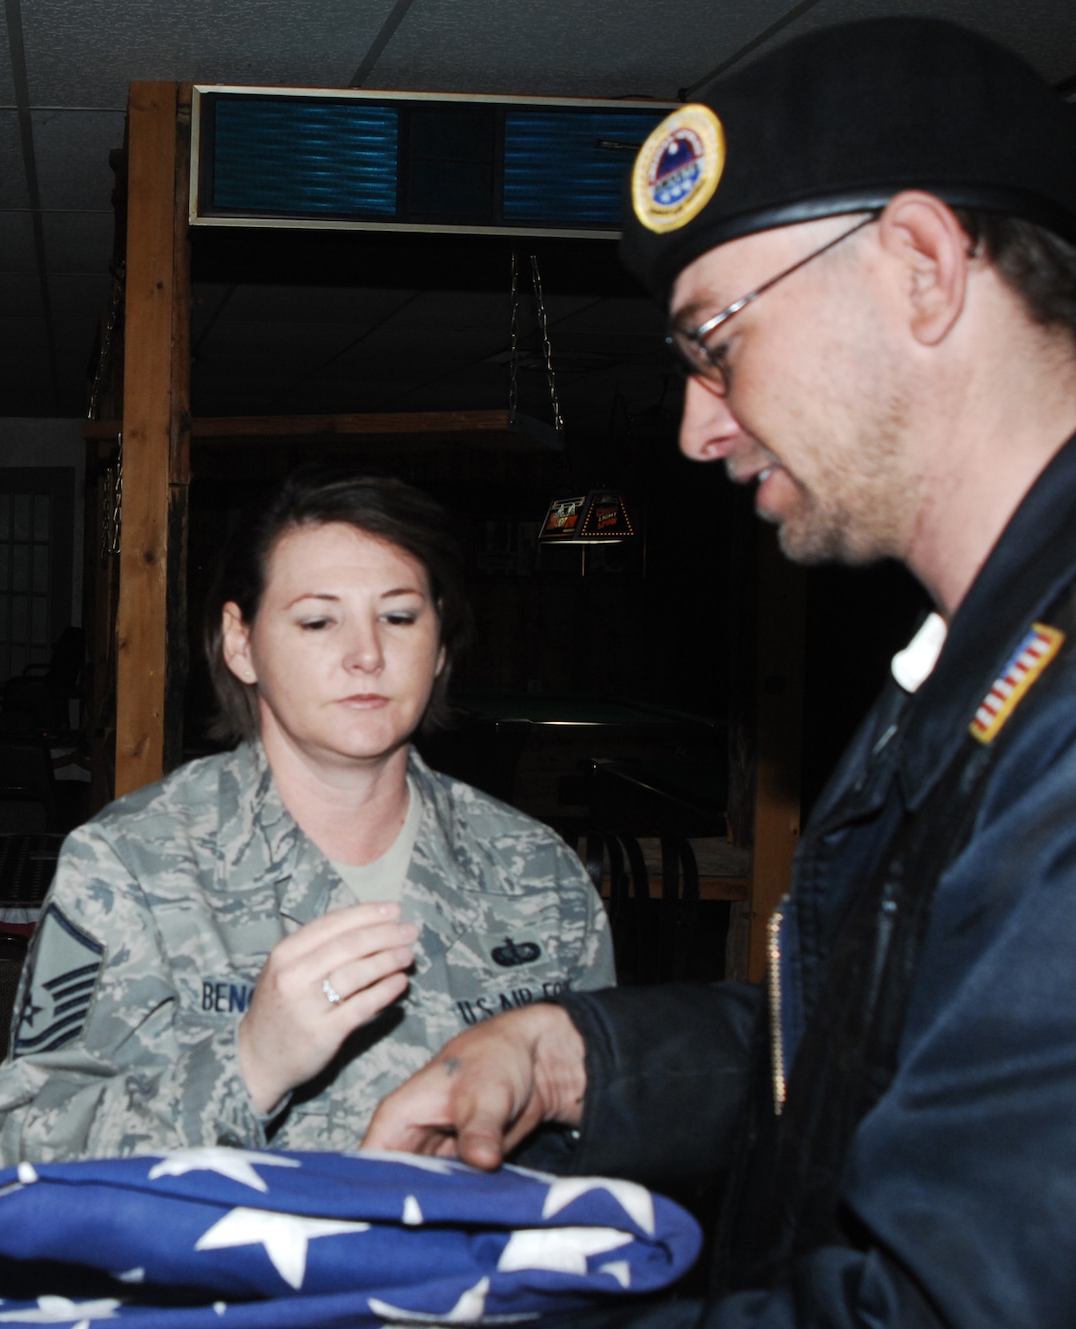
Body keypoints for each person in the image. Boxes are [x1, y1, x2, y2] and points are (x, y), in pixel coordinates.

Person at [362, 17, 1076, 1326]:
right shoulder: (973, 664)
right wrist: (569, 1054)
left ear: (921, 266)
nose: (697, 427)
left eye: (717, 340)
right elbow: (881, 1051)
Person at [0, 474, 612, 1171]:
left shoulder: (540, 874)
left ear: (442, 646)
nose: (367, 653)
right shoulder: (133, 865)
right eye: (317, 620)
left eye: (399, 616)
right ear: (240, 643)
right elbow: (11, 1158)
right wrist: (249, 1063)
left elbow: (612, 1143)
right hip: (229, 1279)